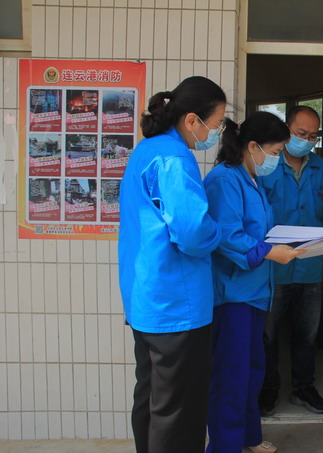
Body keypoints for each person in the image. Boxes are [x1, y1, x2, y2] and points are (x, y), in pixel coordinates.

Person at [118, 76, 226, 453]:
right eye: (216, 124)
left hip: (146, 299)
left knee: (152, 400)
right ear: (192, 120)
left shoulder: (147, 149)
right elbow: (193, 233)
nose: (215, 133)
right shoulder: (175, 159)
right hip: (177, 307)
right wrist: (218, 231)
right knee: (178, 411)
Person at [204, 111, 305, 453]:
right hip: (232, 295)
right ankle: (225, 446)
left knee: (251, 371)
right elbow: (227, 236)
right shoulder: (224, 179)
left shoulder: (251, 179)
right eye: (274, 152)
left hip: (255, 292)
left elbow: (259, 230)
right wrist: (270, 251)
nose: (275, 159)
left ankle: (247, 437)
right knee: (230, 376)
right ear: (252, 146)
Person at [259, 106, 323, 415]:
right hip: (274, 265)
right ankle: (268, 388)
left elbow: (321, 212)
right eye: (300, 133)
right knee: (268, 334)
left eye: (313, 136)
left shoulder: (319, 166)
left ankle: (303, 388)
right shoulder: (268, 163)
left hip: (310, 265)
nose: (306, 140)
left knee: (307, 335)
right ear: (286, 130)